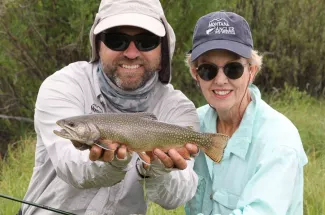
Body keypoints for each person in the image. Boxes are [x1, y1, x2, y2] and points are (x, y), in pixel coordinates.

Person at [21, 0, 200, 214]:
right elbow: (71, 166)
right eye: (116, 40)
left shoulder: (178, 109)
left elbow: (176, 197)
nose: (131, 53)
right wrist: (113, 163)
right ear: (98, 45)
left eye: (146, 41)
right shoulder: (64, 85)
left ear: (163, 50)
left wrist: (160, 169)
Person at [184, 11, 308, 215]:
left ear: (252, 72)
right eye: (208, 69)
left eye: (233, 69)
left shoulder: (279, 142)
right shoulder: (193, 123)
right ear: (195, 74)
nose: (221, 80)